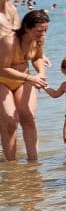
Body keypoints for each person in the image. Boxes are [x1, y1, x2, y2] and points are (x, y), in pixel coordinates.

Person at [0, 8, 52, 161]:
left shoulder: (39, 39)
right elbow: (3, 69)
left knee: (29, 117)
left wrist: (41, 73)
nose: (43, 33)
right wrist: (30, 77)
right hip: (2, 80)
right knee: (10, 121)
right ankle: (12, 165)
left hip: (24, 80)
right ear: (27, 27)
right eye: (39, 30)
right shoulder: (9, 41)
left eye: (45, 30)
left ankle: (34, 163)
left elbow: (37, 58)